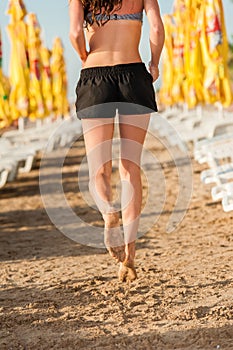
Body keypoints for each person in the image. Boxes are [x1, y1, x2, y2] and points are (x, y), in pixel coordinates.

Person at [69, 0, 165, 282]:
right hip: (134, 75)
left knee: (99, 168)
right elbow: (157, 28)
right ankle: (130, 256)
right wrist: (155, 62)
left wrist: (86, 57)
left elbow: (75, 31)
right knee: (130, 168)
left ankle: (109, 214)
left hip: (95, 75)